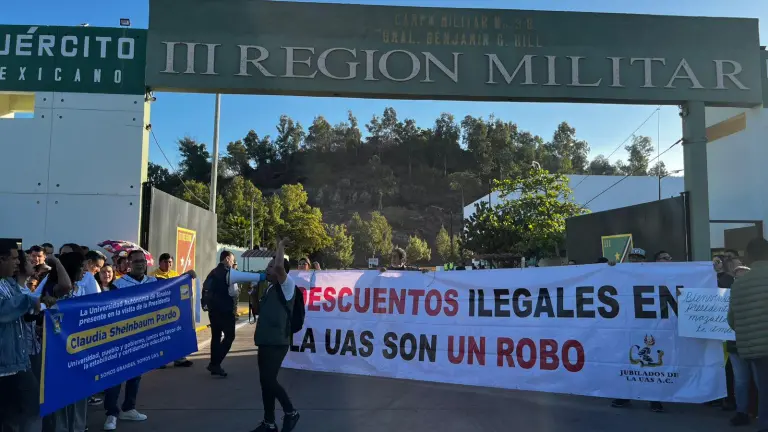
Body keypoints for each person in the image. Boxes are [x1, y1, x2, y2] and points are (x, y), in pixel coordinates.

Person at [0, 240, 56, 432]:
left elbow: (22, 313)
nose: (18, 263)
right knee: (12, 419)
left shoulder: (8, 283)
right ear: (1, 259)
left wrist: (40, 308)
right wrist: (32, 300)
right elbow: (4, 311)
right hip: (4, 367)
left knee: (29, 411)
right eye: (14, 258)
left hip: (19, 362)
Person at [252, 238, 300, 432]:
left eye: (271, 266)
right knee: (265, 382)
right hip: (264, 341)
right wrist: (254, 293)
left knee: (269, 380)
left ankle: (290, 411)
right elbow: (257, 311)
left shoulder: (287, 286)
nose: (268, 269)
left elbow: (280, 266)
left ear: (282, 272)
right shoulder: (270, 289)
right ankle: (269, 422)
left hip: (277, 342)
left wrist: (279, 246)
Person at [103, 250, 154, 431]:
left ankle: (129, 408)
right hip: (120, 337)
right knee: (116, 375)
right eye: (136, 261)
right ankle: (111, 413)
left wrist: (187, 276)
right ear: (129, 264)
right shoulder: (118, 284)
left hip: (141, 335)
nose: (140, 264)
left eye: (143, 261)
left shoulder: (154, 282)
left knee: (136, 373)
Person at [611, 247, 665, 413]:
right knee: (628, 360)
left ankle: (654, 399)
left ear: (645, 259)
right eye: (632, 257)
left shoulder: (653, 273)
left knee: (650, 361)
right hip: (628, 324)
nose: (635, 260)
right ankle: (625, 395)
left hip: (649, 323)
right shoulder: (622, 273)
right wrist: (610, 267)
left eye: (638, 258)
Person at [728, 237, 768, 432]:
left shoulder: (738, 285)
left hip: (754, 349)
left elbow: (732, 321)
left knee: (765, 394)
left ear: (748, 257)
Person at [203, 251, 262, 377]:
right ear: (227, 259)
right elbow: (246, 278)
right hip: (225, 310)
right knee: (229, 336)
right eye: (233, 260)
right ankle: (215, 363)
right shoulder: (228, 273)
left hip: (213, 310)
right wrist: (262, 277)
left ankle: (215, 365)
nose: (233, 263)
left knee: (216, 337)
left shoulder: (212, 272)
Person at [152, 253, 193, 368]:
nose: (168, 264)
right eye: (165, 262)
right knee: (161, 337)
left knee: (177, 334)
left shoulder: (175, 274)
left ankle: (179, 359)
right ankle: (160, 360)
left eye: (170, 262)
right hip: (159, 311)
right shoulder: (153, 276)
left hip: (174, 310)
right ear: (159, 263)